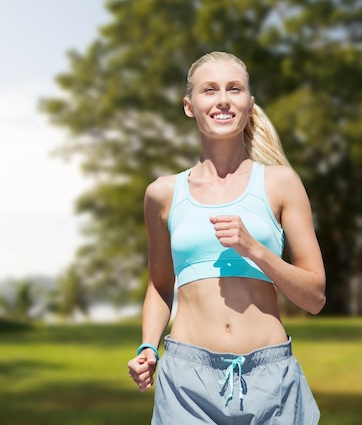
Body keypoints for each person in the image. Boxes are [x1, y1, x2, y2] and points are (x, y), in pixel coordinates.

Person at [127, 51, 326, 424]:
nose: (222, 99)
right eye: (209, 90)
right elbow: (159, 285)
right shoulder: (162, 194)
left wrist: (255, 250)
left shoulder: (281, 184)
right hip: (187, 383)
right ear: (189, 106)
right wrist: (148, 347)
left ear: (249, 104)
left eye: (234, 89)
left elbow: (314, 297)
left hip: (273, 383)